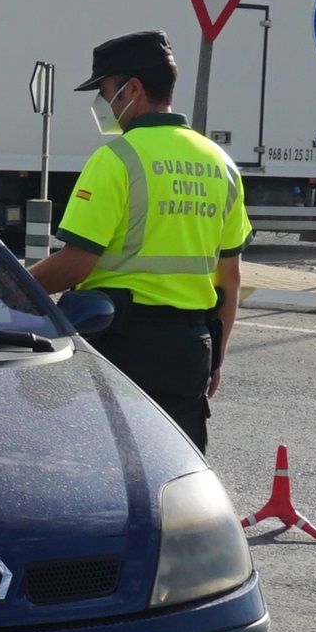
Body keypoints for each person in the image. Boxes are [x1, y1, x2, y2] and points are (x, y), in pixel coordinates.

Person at [33, 29, 249, 449]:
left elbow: (75, 264)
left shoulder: (117, 159)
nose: (101, 104)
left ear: (132, 88)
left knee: (111, 472)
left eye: (105, 90)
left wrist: (12, 285)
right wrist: (216, 358)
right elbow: (231, 278)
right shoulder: (220, 163)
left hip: (122, 347)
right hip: (191, 348)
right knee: (176, 474)